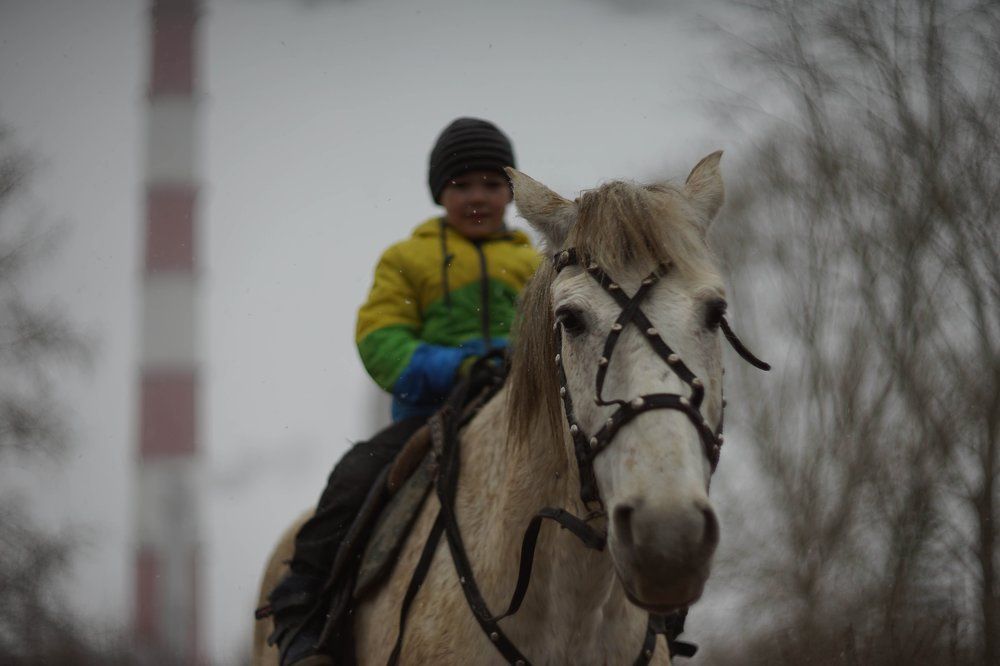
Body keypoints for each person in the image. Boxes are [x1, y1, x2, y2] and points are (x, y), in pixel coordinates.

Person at [266, 118, 540, 666]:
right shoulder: (406, 259)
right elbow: (379, 338)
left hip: (520, 420)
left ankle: (650, 613)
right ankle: (303, 614)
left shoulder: (538, 266)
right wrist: (455, 364)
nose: (478, 196)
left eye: (492, 182)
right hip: (429, 417)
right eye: (462, 185)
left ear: (513, 191)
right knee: (354, 475)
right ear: (440, 191)